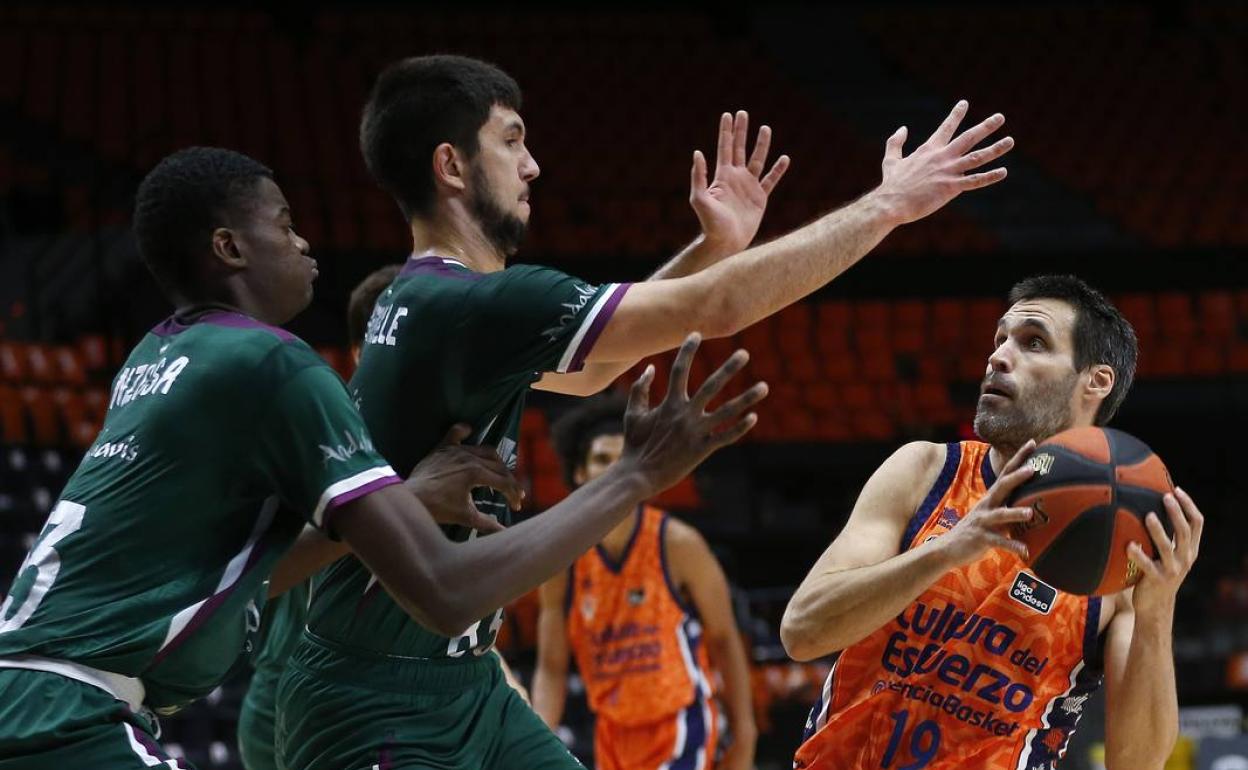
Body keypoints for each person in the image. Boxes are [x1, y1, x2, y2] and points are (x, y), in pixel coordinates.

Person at [279, 53, 1013, 770]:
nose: (532, 165)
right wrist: (888, 206)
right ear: (452, 166)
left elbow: (594, 369)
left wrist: (714, 245)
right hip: (375, 693)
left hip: (460, 685)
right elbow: (718, 307)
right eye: (511, 140)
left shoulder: (433, 298)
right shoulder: (468, 301)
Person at [0, 146, 763, 768]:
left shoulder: (157, 357)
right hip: (80, 711)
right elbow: (446, 589)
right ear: (229, 248)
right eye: (283, 222)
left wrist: (400, 495)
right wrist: (637, 474)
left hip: (40, 689)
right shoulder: (275, 364)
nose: (303, 241)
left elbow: (254, 563)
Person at [781, 275, 1203, 770]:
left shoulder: (1121, 554)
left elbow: (1137, 763)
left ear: (1096, 380)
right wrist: (945, 551)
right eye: (1000, 339)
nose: (999, 357)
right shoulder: (925, 471)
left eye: (1033, 343)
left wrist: (1156, 614)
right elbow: (802, 632)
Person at [236, 263, 529, 769]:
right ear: (364, 354)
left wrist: (494, 669)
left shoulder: (441, 446)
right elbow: (265, 568)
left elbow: (419, 602)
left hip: (400, 689)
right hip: (301, 687)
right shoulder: (326, 435)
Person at [532, 394, 757, 770]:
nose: (613, 470)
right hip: (612, 732)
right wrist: (537, 742)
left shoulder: (678, 544)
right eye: (602, 459)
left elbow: (723, 637)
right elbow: (552, 666)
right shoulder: (563, 559)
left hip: (680, 724)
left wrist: (745, 732)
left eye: (622, 460)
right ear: (579, 473)